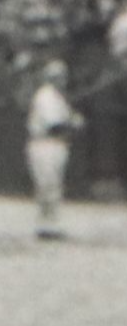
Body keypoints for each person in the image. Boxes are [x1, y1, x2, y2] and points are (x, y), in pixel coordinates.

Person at [25, 57, 81, 239]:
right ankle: (45, 225)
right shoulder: (46, 96)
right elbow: (54, 126)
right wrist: (73, 124)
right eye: (57, 76)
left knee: (53, 185)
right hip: (45, 143)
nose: (62, 79)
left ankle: (50, 224)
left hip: (56, 144)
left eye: (63, 76)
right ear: (49, 77)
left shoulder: (58, 97)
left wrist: (72, 121)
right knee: (47, 185)